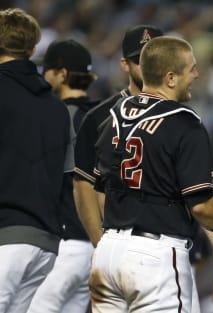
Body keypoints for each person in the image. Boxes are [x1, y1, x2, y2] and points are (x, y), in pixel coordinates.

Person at [89, 36, 213, 313]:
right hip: (154, 256)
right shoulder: (183, 121)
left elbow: (100, 191)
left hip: (108, 251)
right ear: (171, 77)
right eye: (191, 68)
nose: (196, 74)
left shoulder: (113, 116)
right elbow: (203, 207)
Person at [0, 8, 74, 313]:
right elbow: (67, 175)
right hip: (45, 244)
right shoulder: (58, 108)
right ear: (33, 50)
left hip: (5, 236)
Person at [74, 24, 164, 246]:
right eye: (140, 60)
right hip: (120, 239)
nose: (149, 66)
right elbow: (84, 184)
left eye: (156, 59)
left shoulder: (182, 116)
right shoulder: (99, 116)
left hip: (173, 240)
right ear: (125, 64)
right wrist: (99, 244)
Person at [28, 39, 100, 313]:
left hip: (64, 241)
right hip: (93, 243)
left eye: (47, 70)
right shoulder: (102, 116)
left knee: (36, 307)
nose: (43, 76)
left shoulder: (55, 116)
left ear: (62, 74)